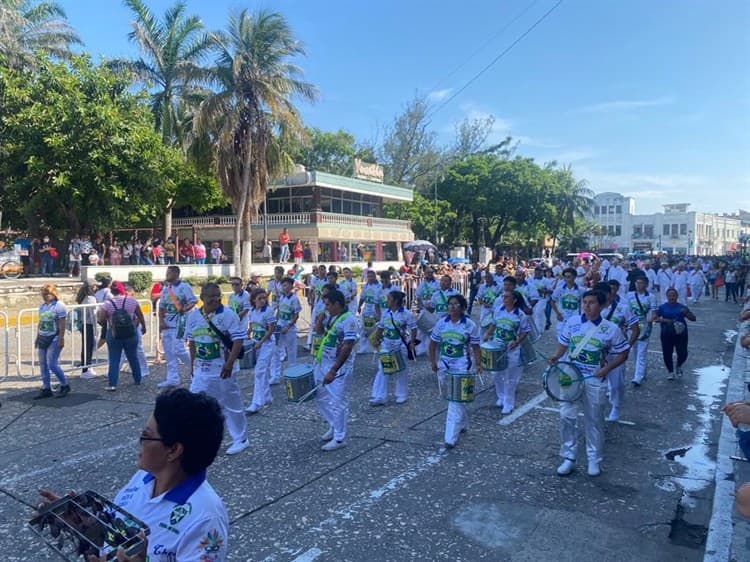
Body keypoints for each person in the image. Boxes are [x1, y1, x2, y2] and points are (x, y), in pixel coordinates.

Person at [39, 388, 230, 561]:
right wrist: (82, 523)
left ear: (173, 450)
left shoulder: (206, 518)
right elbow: (111, 535)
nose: (139, 442)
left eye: (146, 435)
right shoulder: (143, 479)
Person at [546, 290, 630, 477]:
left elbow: (623, 353)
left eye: (591, 302)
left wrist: (605, 370)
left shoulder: (611, 329)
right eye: (584, 302)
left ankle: (594, 459)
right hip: (570, 377)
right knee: (566, 416)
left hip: (594, 379)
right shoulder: (573, 322)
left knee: (594, 421)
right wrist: (555, 356)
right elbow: (564, 344)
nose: (587, 306)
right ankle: (569, 457)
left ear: (601, 306)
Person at [186, 283, 249, 456]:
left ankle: (241, 438)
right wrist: (192, 366)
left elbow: (238, 341)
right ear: (202, 299)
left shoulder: (228, 315)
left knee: (231, 404)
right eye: (211, 296)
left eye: (218, 295)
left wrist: (229, 363)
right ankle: (198, 439)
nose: (215, 299)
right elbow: (192, 343)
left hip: (223, 369)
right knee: (195, 404)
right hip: (201, 371)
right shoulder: (193, 317)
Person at [429, 294, 481, 449]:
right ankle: (463, 422)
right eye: (450, 304)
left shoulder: (470, 325)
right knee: (454, 398)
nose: (452, 307)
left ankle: (450, 437)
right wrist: (433, 362)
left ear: (463, 307)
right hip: (444, 365)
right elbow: (433, 344)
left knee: (455, 400)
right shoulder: (441, 323)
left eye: (455, 304)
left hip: (462, 365)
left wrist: (479, 364)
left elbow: (476, 347)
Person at [315, 289, 358, 451]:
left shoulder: (349, 320)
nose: (325, 307)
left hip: (339, 366)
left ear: (337, 304)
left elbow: (347, 346)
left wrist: (333, 370)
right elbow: (321, 333)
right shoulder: (332, 317)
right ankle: (334, 424)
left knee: (337, 401)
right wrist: (319, 321)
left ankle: (340, 438)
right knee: (320, 396)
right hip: (323, 361)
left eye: (327, 304)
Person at [369, 290, 417, 406]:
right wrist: (376, 340)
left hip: (400, 345)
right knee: (383, 369)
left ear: (395, 301)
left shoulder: (407, 314)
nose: (387, 301)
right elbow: (380, 328)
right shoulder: (386, 313)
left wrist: (412, 342)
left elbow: (414, 329)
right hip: (386, 344)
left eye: (389, 299)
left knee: (401, 370)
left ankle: (402, 394)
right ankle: (379, 396)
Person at [486, 289, 530, 414]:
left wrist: (517, 342)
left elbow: (525, 331)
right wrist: (488, 334)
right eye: (503, 296)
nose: (503, 299)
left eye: (506, 297)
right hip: (497, 346)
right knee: (496, 373)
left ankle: (508, 403)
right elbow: (494, 324)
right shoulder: (498, 310)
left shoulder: (520, 315)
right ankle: (501, 396)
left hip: (512, 349)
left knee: (510, 377)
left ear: (514, 300)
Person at [97, 281, 146, 391]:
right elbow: (140, 314)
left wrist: (108, 322)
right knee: (133, 357)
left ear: (112, 291)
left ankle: (112, 384)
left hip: (114, 333)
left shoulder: (107, 304)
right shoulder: (131, 301)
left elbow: (100, 319)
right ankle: (137, 379)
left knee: (114, 359)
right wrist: (143, 326)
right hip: (131, 332)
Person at [159, 266, 197, 387]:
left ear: (176, 273)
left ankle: (195, 369)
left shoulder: (184, 287)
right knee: (169, 352)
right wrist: (161, 321)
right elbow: (161, 307)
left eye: (169, 272)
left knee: (179, 349)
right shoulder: (165, 289)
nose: (167, 274)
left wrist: (184, 309)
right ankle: (172, 378)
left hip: (180, 323)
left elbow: (193, 301)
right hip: (167, 323)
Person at [33, 284, 70, 399]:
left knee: (52, 364)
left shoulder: (59, 306)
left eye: (48, 294)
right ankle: (46, 387)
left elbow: (62, 324)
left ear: (54, 294)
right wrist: (37, 337)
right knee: (43, 364)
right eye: (44, 294)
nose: (46, 296)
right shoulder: (42, 306)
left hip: (54, 338)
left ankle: (64, 384)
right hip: (43, 337)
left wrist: (61, 338)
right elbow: (41, 322)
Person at [654, 287, 697, 380]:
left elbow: (693, 318)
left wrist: (687, 313)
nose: (672, 297)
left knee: (683, 353)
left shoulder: (682, 307)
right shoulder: (662, 307)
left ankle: (679, 366)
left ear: (677, 296)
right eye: (670, 295)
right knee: (667, 353)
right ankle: (670, 371)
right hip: (666, 333)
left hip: (681, 333)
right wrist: (665, 320)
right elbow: (655, 318)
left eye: (673, 295)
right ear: (667, 296)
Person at [245, 289, 276, 413]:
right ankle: (267, 397)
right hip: (256, 342)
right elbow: (252, 325)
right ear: (253, 300)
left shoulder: (268, 311)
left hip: (267, 344)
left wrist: (260, 342)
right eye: (260, 298)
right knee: (264, 371)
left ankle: (256, 403)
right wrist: (248, 334)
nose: (263, 300)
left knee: (259, 371)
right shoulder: (252, 311)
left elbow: (271, 330)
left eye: (264, 298)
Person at [269, 277, 302, 384]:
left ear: (291, 286)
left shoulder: (294, 299)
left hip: (289, 329)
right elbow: (279, 311)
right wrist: (276, 323)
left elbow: (296, 315)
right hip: (279, 327)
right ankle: (275, 375)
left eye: (287, 285)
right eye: (283, 285)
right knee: (276, 350)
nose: (284, 287)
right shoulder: (282, 297)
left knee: (291, 351)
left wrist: (288, 326)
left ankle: (292, 373)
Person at [627, 276, 657, 387]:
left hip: (644, 325)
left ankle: (638, 376)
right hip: (632, 325)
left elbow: (654, 312)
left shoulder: (651, 297)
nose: (638, 285)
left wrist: (651, 319)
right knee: (634, 350)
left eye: (641, 283)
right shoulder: (629, 295)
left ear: (646, 284)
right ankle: (640, 371)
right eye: (637, 283)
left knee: (642, 351)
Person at [550, 267, 585, 336]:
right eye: (565, 277)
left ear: (574, 277)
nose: (567, 279)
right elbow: (552, 301)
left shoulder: (581, 290)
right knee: (561, 338)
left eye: (569, 277)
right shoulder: (559, 289)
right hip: (562, 318)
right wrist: (557, 313)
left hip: (576, 318)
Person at [75, 281, 99, 379]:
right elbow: (93, 314)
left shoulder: (83, 297)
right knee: (89, 346)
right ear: (92, 287)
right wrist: (96, 327)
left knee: (86, 346)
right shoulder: (91, 298)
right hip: (88, 324)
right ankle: (86, 368)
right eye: (95, 285)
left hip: (83, 323)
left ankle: (86, 367)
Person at [357, 269, 381, 354]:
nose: (370, 278)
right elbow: (362, 297)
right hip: (366, 311)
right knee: (364, 329)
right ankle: (363, 348)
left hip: (376, 311)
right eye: (368, 276)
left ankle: (375, 348)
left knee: (375, 330)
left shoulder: (380, 286)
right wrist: (359, 306)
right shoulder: (366, 286)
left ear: (375, 276)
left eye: (372, 276)